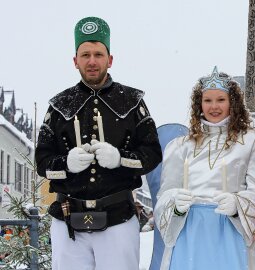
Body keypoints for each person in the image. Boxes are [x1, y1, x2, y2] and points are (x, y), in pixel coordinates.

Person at [35, 16, 162, 270]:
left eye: (98, 54)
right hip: (68, 219)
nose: (92, 61)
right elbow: (42, 162)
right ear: (75, 61)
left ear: (110, 59)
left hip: (118, 219)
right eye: (85, 55)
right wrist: (66, 163)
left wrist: (120, 159)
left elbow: (152, 154)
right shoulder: (59, 106)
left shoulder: (133, 102)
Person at [154, 66, 255, 270]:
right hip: (189, 234)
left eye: (221, 100)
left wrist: (239, 205)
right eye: (207, 100)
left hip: (232, 231)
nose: (214, 107)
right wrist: (175, 206)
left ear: (232, 103)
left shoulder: (252, 141)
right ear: (199, 104)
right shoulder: (180, 146)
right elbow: (164, 196)